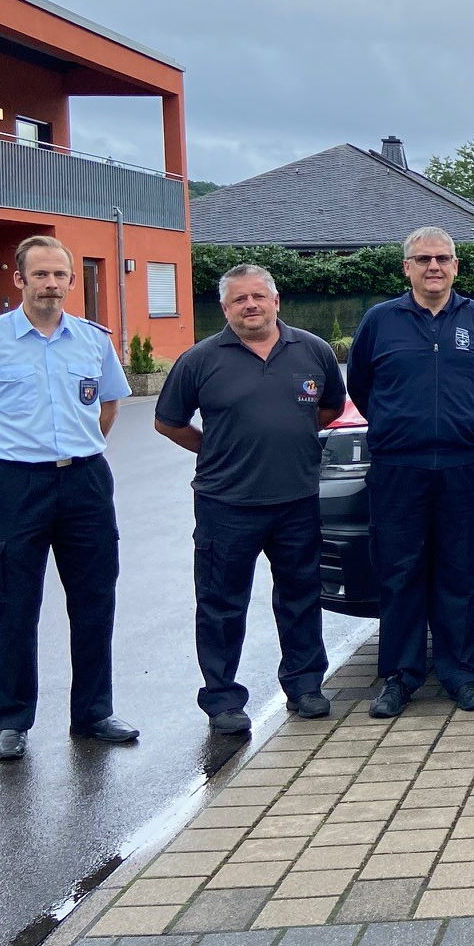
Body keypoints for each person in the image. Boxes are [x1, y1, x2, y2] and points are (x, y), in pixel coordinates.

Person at [0, 235, 137, 761]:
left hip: (84, 483)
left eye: (60, 276)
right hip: (14, 486)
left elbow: (107, 408)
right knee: (13, 605)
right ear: (19, 280)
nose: (51, 284)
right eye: (40, 275)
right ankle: (12, 722)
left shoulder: (94, 340)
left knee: (95, 601)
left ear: (72, 282)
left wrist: (76, 455)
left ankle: (93, 713)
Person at [155, 264, 346, 734]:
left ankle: (304, 686)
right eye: (239, 300)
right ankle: (222, 700)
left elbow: (331, 407)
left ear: (276, 300)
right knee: (221, 604)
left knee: (300, 596)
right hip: (226, 504)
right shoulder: (200, 360)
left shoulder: (313, 351)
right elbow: (168, 421)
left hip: (297, 500)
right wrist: (215, 448)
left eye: (258, 297)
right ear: (225, 308)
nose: (251, 306)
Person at [347, 227, 474, 718]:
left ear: (456, 266)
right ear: (407, 268)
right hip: (400, 467)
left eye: (442, 258)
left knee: (459, 570)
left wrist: (464, 422)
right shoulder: (380, 321)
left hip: (463, 464)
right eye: (422, 259)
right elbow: (361, 385)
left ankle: (461, 674)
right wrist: (404, 425)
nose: (433, 266)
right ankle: (401, 676)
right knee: (399, 572)